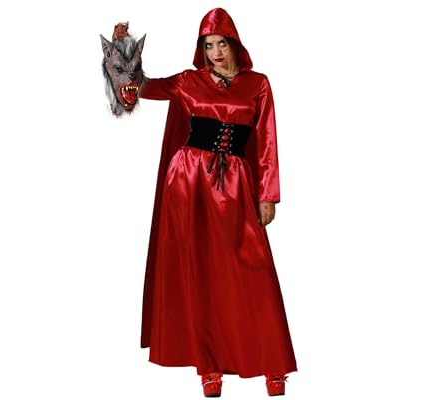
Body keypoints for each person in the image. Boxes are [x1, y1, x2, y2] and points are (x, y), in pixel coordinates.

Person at [138, 8, 297, 397]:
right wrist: (123, 49)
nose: (216, 53)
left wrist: (268, 194)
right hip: (188, 181)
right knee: (198, 270)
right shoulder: (189, 81)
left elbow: (267, 140)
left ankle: (272, 362)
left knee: (252, 267)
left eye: (221, 44)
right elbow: (140, 87)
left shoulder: (257, 84)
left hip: (235, 183)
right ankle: (208, 367)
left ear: (234, 44)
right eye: (208, 46)